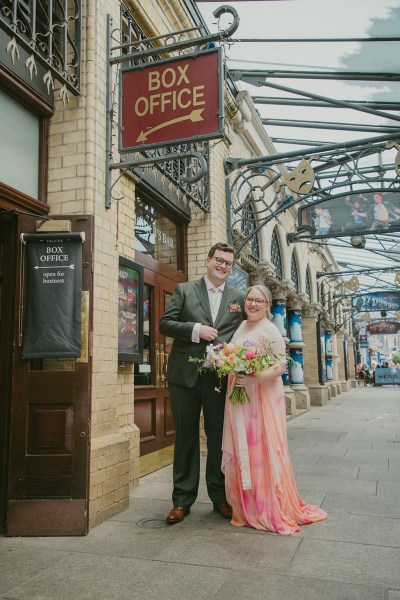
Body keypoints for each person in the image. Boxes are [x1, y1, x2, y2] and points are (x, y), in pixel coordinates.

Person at [222, 284, 327, 535]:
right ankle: (245, 505)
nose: (253, 304)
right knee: (242, 446)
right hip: (239, 396)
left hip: (261, 398)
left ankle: (266, 505)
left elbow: (280, 367)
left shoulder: (270, 329)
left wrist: (254, 378)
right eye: (250, 299)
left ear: (268, 305)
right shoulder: (242, 325)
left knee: (261, 448)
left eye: (259, 300)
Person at [160, 242, 245, 524]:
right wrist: (196, 330)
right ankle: (182, 501)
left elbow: (247, 330)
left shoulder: (238, 298)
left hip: (218, 379)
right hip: (184, 377)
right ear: (208, 261)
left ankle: (219, 498)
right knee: (185, 437)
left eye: (228, 264)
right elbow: (165, 324)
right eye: (219, 260)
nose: (223, 266)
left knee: (219, 439)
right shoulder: (185, 290)